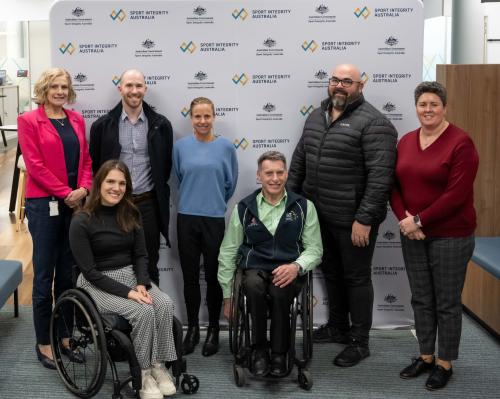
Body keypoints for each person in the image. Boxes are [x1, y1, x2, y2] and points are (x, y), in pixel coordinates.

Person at [287, 63, 397, 367]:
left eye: (347, 81)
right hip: (318, 217)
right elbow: (299, 162)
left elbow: (380, 177)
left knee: (357, 278)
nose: (339, 85)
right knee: (331, 273)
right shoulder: (316, 115)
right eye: (335, 79)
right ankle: (337, 327)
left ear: (361, 85)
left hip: (354, 221)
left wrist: (364, 219)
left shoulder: (375, 123)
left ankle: (359, 342)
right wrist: (291, 206)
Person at [390, 81, 478, 390]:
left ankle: (445, 363)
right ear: (416, 107)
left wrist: (418, 219)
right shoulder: (406, 141)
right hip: (412, 233)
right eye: (422, 104)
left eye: (434, 105)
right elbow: (394, 185)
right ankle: (425, 356)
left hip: (450, 235)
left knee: (447, 302)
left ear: (444, 107)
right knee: (422, 298)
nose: (428, 110)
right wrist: (405, 219)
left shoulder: (461, 143)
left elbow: (457, 194)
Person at [69, 160, 177, 399]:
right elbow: (90, 272)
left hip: (130, 275)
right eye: (110, 181)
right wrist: (129, 293)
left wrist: (140, 283)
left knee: (165, 304)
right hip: (96, 283)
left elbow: (140, 254)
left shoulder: (131, 212)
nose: (116, 188)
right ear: (99, 183)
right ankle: (143, 374)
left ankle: (159, 365)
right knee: (143, 311)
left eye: (121, 183)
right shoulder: (81, 221)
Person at [218, 151, 323, 377]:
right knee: (254, 285)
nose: (274, 178)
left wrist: (296, 266)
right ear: (259, 176)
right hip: (255, 269)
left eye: (279, 172)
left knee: (280, 289)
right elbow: (228, 252)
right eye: (269, 173)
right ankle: (259, 351)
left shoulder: (305, 207)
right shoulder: (243, 208)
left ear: (286, 174)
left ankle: (279, 353)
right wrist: (228, 297)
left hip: (289, 269)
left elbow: (315, 249)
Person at [17, 68, 92, 369]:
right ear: (45, 89)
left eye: (65, 86)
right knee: (44, 275)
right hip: (43, 204)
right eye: (55, 86)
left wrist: (84, 188)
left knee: (67, 274)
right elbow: (34, 165)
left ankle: (64, 336)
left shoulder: (76, 120)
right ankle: (43, 342)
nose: (60, 91)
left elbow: (85, 159)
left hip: (73, 204)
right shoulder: (29, 121)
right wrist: (66, 192)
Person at [89, 69, 173, 286]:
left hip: (148, 205)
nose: (134, 91)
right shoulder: (103, 126)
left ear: (145, 89)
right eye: (129, 86)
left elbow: (165, 167)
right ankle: (120, 317)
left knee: (149, 262)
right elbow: (96, 168)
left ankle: (154, 315)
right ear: (120, 89)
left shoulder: (161, 125)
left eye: (138, 86)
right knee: (114, 264)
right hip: (114, 206)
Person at [173, 97, 238, 357]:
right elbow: (178, 177)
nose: (202, 121)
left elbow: (230, 183)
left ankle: (213, 329)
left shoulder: (226, 147)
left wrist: (214, 202)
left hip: (213, 218)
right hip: (186, 217)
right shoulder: (180, 147)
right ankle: (192, 330)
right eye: (197, 117)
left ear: (214, 116)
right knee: (190, 277)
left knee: (213, 277)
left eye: (207, 116)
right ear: (191, 118)